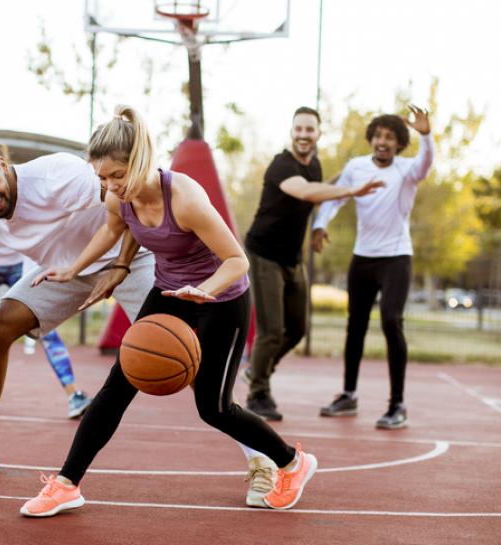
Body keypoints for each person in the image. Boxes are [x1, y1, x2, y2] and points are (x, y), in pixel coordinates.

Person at [19, 105, 318, 518]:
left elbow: (237, 260)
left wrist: (205, 290)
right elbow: (112, 229)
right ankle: (67, 484)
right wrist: (75, 267)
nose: (109, 185)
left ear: (141, 160)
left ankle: (292, 462)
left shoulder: (185, 197)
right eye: (102, 177)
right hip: (169, 291)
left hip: (223, 297)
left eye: (117, 175)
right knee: (115, 387)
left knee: (213, 408)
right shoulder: (117, 197)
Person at [0, 137, 157, 478]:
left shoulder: (57, 175)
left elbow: (131, 205)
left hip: (131, 258)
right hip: (66, 270)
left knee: (177, 346)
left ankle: (253, 454)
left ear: (4, 166)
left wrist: (122, 265)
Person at [244, 107, 384, 420]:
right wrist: (351, 188)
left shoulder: (315, 165)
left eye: (310, 130)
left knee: (297, 328)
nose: (304, 135)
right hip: (264, 254)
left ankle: (257, 369)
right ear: (291, 132)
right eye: (299, 129)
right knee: (271, 331)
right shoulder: (281, 165)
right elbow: (307, 192)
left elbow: (319, 191)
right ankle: (258, 394)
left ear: (319, 134)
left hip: (292, 258)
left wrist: (322, 221)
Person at [313, 105, 434, 429]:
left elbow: (426, 164)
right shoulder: (356, 167)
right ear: (372, 139)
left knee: (392, 321)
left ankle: (397, 404)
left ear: (398, 144)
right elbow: (335, 198)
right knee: (356, 326)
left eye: (390, 137)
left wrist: (426, 135)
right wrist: (319, 225)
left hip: (396, 258)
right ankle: (349, 395)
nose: (383, 141)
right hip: (362, 258)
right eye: (378, 135)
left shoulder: (408, 170)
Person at [0, 189, 92, 419]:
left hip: (19, 263)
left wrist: (28, 298)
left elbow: (30, 241)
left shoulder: (17, 191)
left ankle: (75, 395)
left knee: (46, 328)